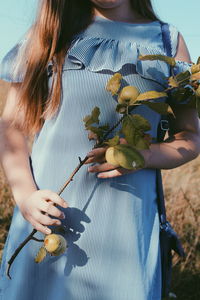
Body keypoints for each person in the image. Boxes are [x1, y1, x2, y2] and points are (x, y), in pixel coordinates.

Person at [0, 0, 199, 299]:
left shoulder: (167, 40)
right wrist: (25, 195)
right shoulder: (49, 33)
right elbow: (11, 125)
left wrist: (143, 156)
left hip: (128, 238)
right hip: (46, 224)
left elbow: (191, 136)